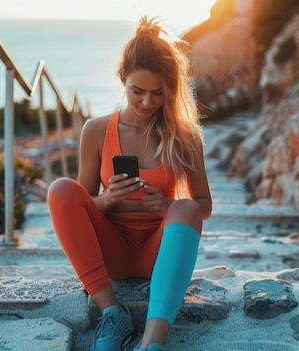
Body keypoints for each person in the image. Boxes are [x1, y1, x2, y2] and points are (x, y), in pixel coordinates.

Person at [48, 16, 212, 351]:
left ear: (170, 89)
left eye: (157, 93)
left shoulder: (186, 137)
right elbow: (81, 204)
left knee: (185, 207)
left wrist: (166, 205)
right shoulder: (96, 131)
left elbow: (203, 206)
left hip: (157, 252)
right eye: (137, 91)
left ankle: (152, 342)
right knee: (61, 189)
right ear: (122, 79)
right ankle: (112, 312)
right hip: (112, 253)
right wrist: (107, 199)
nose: (147, 103)